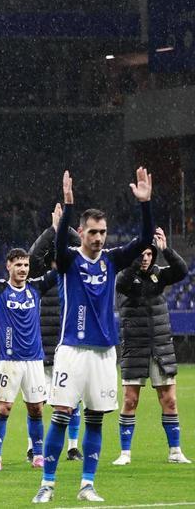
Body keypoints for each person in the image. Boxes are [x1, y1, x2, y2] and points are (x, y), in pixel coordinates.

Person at [33, 168, 153, 504]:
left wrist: (145, 204)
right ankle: (47, 483)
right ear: (81, 234)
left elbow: (144, 243)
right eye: (93, 233)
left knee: (96, 419)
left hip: (104, 354)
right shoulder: (69, 260)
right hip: (72, 350)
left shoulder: (112, 260)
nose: (99, 238)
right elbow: (57, 245)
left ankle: (87, 484)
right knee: (60, 415)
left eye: (103, 232)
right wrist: (68, 207)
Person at [0, 245, 57, 471]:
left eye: (26, 265)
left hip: (34, 360)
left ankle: (38, 455)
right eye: (18, 265)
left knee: (37, 409)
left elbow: (59, 270)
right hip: (9, 361)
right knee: (4, 408)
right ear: (8, 266)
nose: (23, 269)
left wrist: (58, 230)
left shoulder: (36, 288)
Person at [113, 227, 190, 466]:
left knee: (169, 400)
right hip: (134, 348)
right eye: (141, 254)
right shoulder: (124, 276)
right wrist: (134, 262)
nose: (145, 257)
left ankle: (175, 451)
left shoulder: (160, 274)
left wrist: (166, 250)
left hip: (160, 347)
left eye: (148, 254)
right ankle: (125, 453)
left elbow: (182, 271)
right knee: (130, 400)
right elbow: (122, 284)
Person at [29, 204, 84, 464]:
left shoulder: (74, 273)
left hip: (68, 346)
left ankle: (73, 447)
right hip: (43, 346)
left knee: (73, 399)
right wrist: (53, 230)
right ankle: (34, 447)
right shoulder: (41, 278)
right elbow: (31, 256)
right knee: (37, 401)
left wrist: (65, 228)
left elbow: (83, 244)